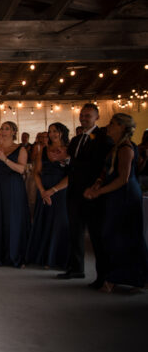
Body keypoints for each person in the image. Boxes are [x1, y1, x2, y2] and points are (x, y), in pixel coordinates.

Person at [84, 113, 148, 292]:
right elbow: (106, 172)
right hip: (114, 195)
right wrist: (97, 184)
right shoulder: (115, 147)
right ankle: (115, 277)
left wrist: (99, 192)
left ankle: (127, 278)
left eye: (112, 124)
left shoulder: (126, 148)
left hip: (125, 196)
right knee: (111, 235)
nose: (109, 126)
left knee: (123, 236)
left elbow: (123, 178)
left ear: (121, 127)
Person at [58, 103, 113, 286]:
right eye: (82, 115)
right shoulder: (77, 139)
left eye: (88, 115)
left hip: (92, 193)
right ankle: (76, 268)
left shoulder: (103, 139)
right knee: (75, 231)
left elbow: (101, 166)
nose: (84, 118)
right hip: (74, 191)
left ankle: (103, 275)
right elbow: (72, 162)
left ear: (96, 117)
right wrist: (64, 162)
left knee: (97, 235)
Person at [0, 121, 30, 267]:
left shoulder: (20, 149)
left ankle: (15, 254)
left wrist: (4, 159)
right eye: (2, 128)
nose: (3, 131)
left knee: (13, 219)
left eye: (7, 129)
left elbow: (22, 170)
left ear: (13, 132)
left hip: (13, 186)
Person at [26, 123, 70, 269]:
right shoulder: (43, 150)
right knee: (43, 222)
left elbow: (72, 176)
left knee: (58, 224)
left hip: (60, 191)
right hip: (43, 190)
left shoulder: (69, 150)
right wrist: (42, 191)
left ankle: (55, 258)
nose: (52, 134)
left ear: (62, 133)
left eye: (55, 131)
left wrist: (53, 190)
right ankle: (41, 256)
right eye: (50, 131)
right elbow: (36, 172)